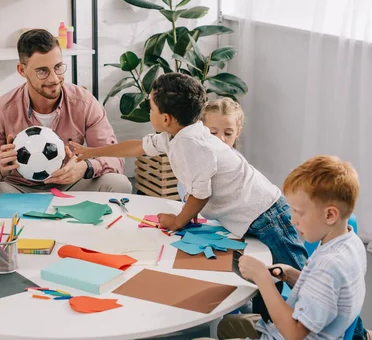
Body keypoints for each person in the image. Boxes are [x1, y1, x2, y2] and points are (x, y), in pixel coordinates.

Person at [71, 73, 307, 270]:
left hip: (266, 215)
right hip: (249, 217)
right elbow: (138, 146)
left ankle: (318, 322)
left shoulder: (192, 144)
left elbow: (201, 194)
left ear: (166, 118)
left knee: (296, 277)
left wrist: (177, 221)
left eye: (150, 108)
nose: (149, 112)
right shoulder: (177, 134)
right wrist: (92, 152)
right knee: (268, 275)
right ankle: (269, 324)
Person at [214, 155, 372, 340]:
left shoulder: (328, 267)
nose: (293, 220)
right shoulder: (348, 241)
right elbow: (328, 292)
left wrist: (262, 279)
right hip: (317, 329)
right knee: (229, 324)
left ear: (330, 215)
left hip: (289, 333)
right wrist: (291, 274)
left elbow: (294, 334)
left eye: (299, 212)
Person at [0, 29, 131, 198]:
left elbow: (115, 158)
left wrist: (86, 167)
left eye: (58, 67)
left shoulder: (84, 103)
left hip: (72, 185)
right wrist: (0, 168)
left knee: (118, 183)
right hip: (19, 189)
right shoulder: (2, 109)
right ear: (22, 70)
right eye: (42, 71)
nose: (54, 78)